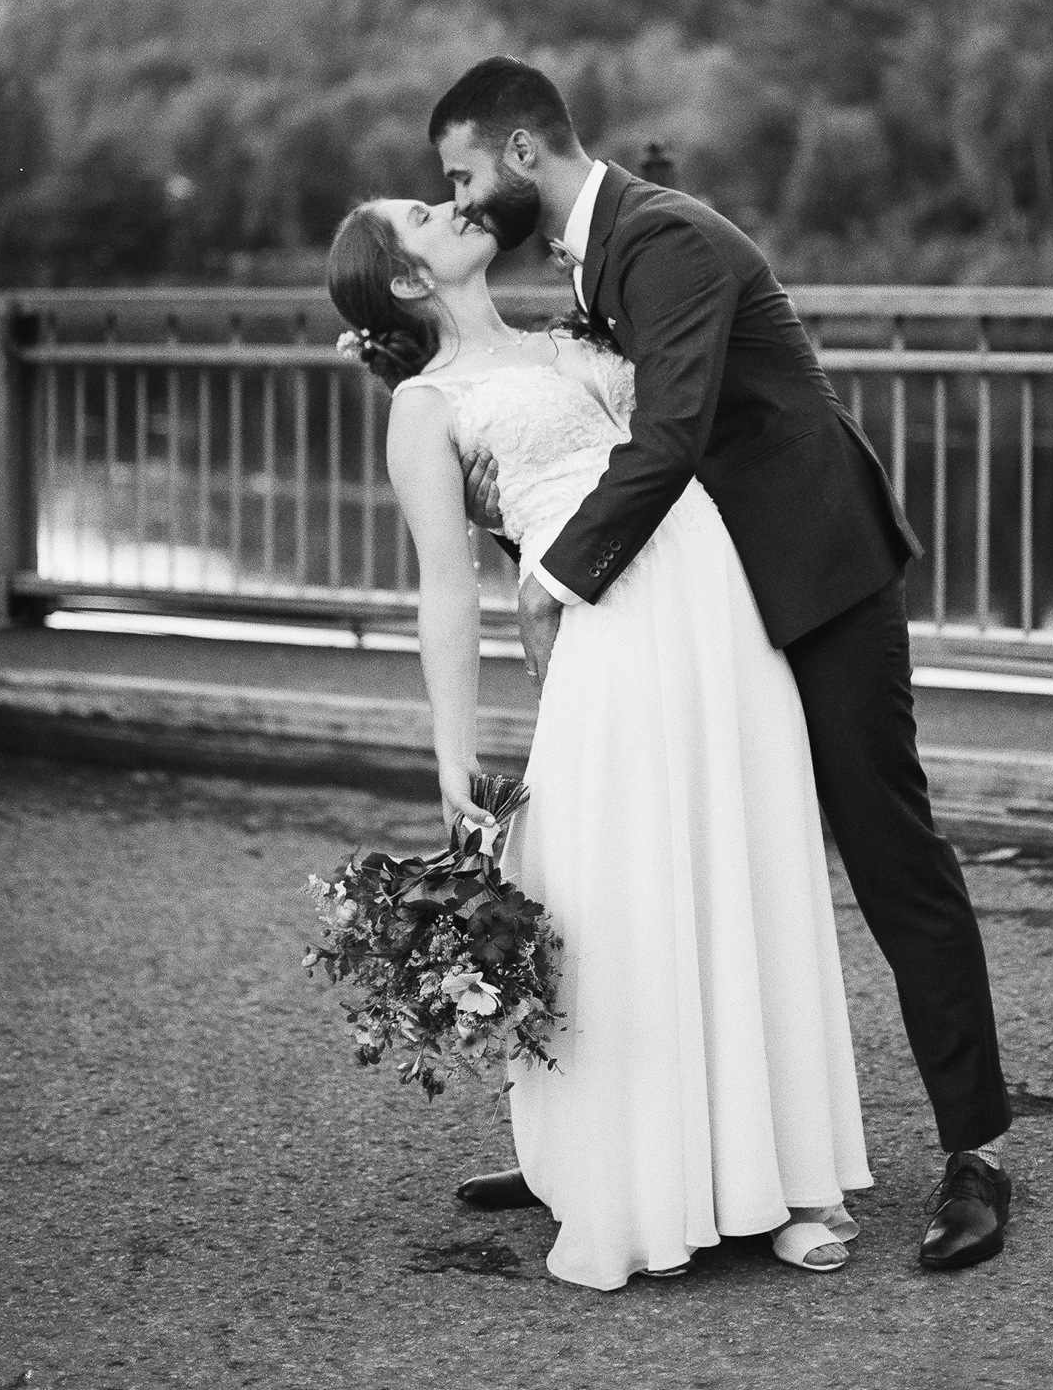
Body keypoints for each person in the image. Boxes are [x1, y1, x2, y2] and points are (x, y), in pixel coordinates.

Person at [430, 56, 1014, 1272]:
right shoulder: (592, 256)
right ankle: (612, 1154)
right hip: (710, 607)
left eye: (464, 174)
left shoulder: (664, 238)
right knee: (658, 866)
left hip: (819, 573)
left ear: (523, 151)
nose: (465, 199)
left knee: (889, 847)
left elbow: (670, 433)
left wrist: (549, 581)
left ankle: (979, 1152)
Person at [328, 194, 872, 1290]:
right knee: (634, 890)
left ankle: (794, 1178)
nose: (456, 204)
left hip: (718, 599)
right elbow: (447, 588)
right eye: (425, 212)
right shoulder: (426, 407)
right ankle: (653, 1185)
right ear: (407, 279)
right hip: (606, 627)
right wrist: (452, 754)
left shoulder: (574, 333)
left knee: (751, 855)